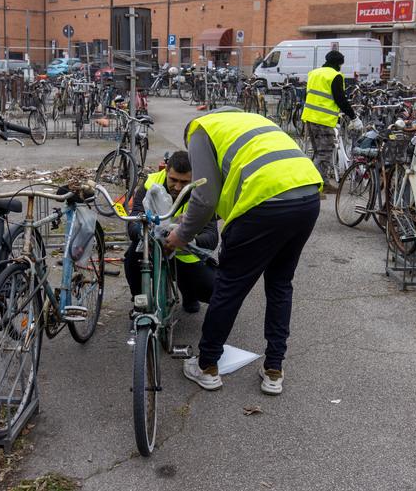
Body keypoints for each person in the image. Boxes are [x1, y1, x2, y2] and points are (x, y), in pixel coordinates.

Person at [166, 108, 322, 395]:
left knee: (229, 286)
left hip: (264, 205)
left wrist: (180, 235)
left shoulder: (200, 130)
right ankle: (274, 369)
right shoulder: (249, 121)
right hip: (307, 195)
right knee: (280, 284)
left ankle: (207, 365)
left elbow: (204, 198)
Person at [123, 151, 217, 313]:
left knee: (213, 290)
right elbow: (134, 220)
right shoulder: (150, 183)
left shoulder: (202, 192)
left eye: (184, 181)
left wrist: (189, 239)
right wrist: (144, 235)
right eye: (173, 180)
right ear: (166, 171)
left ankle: (189, 294)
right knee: (132, 259)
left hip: (184, 255)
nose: (178, 187)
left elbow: (212, 237)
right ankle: (140, 303)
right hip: (153, 249)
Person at [300, 51, 362, 194]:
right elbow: (340, 99)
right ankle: (317, 186)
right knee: (324, 152)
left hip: (309, 117)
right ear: (339, 63)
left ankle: (318, 182)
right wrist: (353, 117)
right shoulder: (335, 76)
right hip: (323, 120)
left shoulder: (314, 73)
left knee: (317, 152)